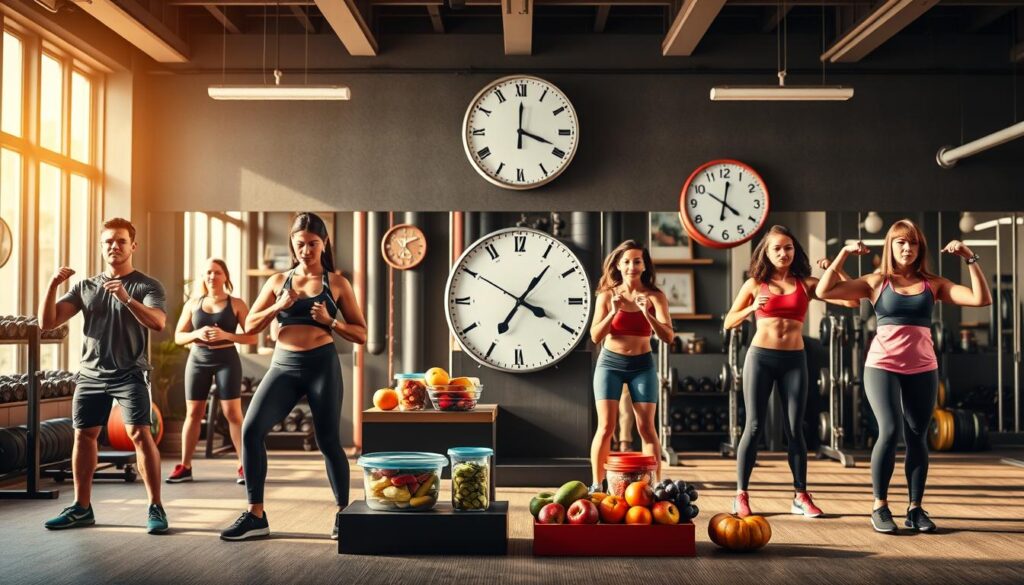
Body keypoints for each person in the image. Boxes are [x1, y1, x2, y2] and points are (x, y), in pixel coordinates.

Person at [817, 219, 991, 533]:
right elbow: (823, 290)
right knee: (889, 429)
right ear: (890, 246)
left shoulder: (933, 284)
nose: (907, 248)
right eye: (900, 242)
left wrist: (969, 257)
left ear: (919, 248)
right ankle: (879, 505)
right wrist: (843, 253)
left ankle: (915, 508)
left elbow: (981, 299)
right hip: (882, 365)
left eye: (912, 243)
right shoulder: (876, 281)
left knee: (917, 436)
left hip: (923, 367)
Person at [220, 213, 367, 541]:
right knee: (251, 430)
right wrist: (278, 307)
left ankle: (343, 513)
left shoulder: (337, 283)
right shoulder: (277, 282)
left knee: (328, 441)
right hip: (283, 366)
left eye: (313, 244)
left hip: (321, 366)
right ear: (293, 244)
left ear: (324, 243)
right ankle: (256, 515)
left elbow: (361, 334)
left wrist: (331, 321)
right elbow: (249, 325)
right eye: (300, 244)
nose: (306, 250)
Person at [39, 218, 169, 533]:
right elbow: (48, 322)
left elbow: (158, 323)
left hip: (131, 373)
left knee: (140, 434)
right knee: (84, 436)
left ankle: (156, 508)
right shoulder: (85, 287)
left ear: (132, 246)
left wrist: (126, 299)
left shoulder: (147, 285)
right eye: (108, 241)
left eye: (121, 241)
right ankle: (82, 508)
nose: (114, 246)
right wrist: (52, 285)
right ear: (101, 246)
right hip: (90, 374)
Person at [723, 225, 858, 519]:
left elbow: (851, 301)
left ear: (795, 250)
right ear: (766, 254)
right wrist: (749, 310)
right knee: (754, 426)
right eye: (777, 249)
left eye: (788, 248)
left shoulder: (807, 284)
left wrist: (837, 268)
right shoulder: (753, 285)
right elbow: (728, 322)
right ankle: (741, 495)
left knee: (795, 429)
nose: (784, 253)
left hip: (795, 360)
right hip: (760, 358)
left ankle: (800, 495)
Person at [589, 240, 674, 492]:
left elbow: (669, 336)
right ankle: (597, 483)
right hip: (610, 364)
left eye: (637, 261)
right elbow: (595, 336)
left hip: (642, 365)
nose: (631, 266)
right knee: (606, 427)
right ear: (618, 264)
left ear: (644, 265)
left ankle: (655, 484)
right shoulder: (606, 295)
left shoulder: (656, 296)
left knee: (647, 427)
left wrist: (647, 314)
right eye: (626, 261)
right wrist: (612, 312)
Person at [166, 258, 256, 485]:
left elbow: (252, 336)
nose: (212, 277)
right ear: (203, 276)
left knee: (232, 413)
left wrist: (227, 335)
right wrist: (197, 334)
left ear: (225, 276)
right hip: (198, 360)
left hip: (227, 359)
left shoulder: (236, 303)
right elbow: (178, 337)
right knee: (194, 413)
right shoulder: (193, 304)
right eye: (208, 272)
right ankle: (185, 466)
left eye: (217, 272)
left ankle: (244, 465)